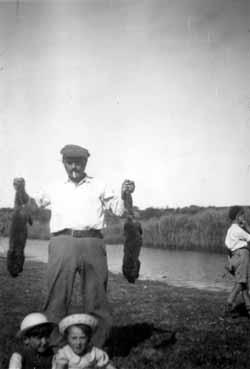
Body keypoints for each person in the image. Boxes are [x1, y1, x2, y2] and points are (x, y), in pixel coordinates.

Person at [13, 144, 135, 348]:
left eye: (78, 162)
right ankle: (53, 345)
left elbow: (120, 210)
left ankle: (97, 345)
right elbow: (32, 206)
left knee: (97, 297)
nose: (74, 167)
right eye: (69, 162)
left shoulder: (100, 185)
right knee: (56, 296)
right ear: (63, 163)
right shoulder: (54, 186)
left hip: (92, 242)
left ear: (85, 163)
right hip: (62, 242)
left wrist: (125, 193)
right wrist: (21, 190)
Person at [52, 313, 116, 369]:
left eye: (82, 338)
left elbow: (107, 366)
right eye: (74, 338)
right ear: (67, 339)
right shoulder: (65, 354)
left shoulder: (94, 352)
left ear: (88, 338)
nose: (78, 343)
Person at [224, 205, 250, 317]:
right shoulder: (239, 230)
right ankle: (229, 302)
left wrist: (230, 262)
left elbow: (228, 247)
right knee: (241, 282)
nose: (244, 216)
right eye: (242, 214)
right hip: (243, 255)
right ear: (238, 216)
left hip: (234, 257)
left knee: (244, 283)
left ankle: (249, 308)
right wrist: (247, 226)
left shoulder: (229, 230)